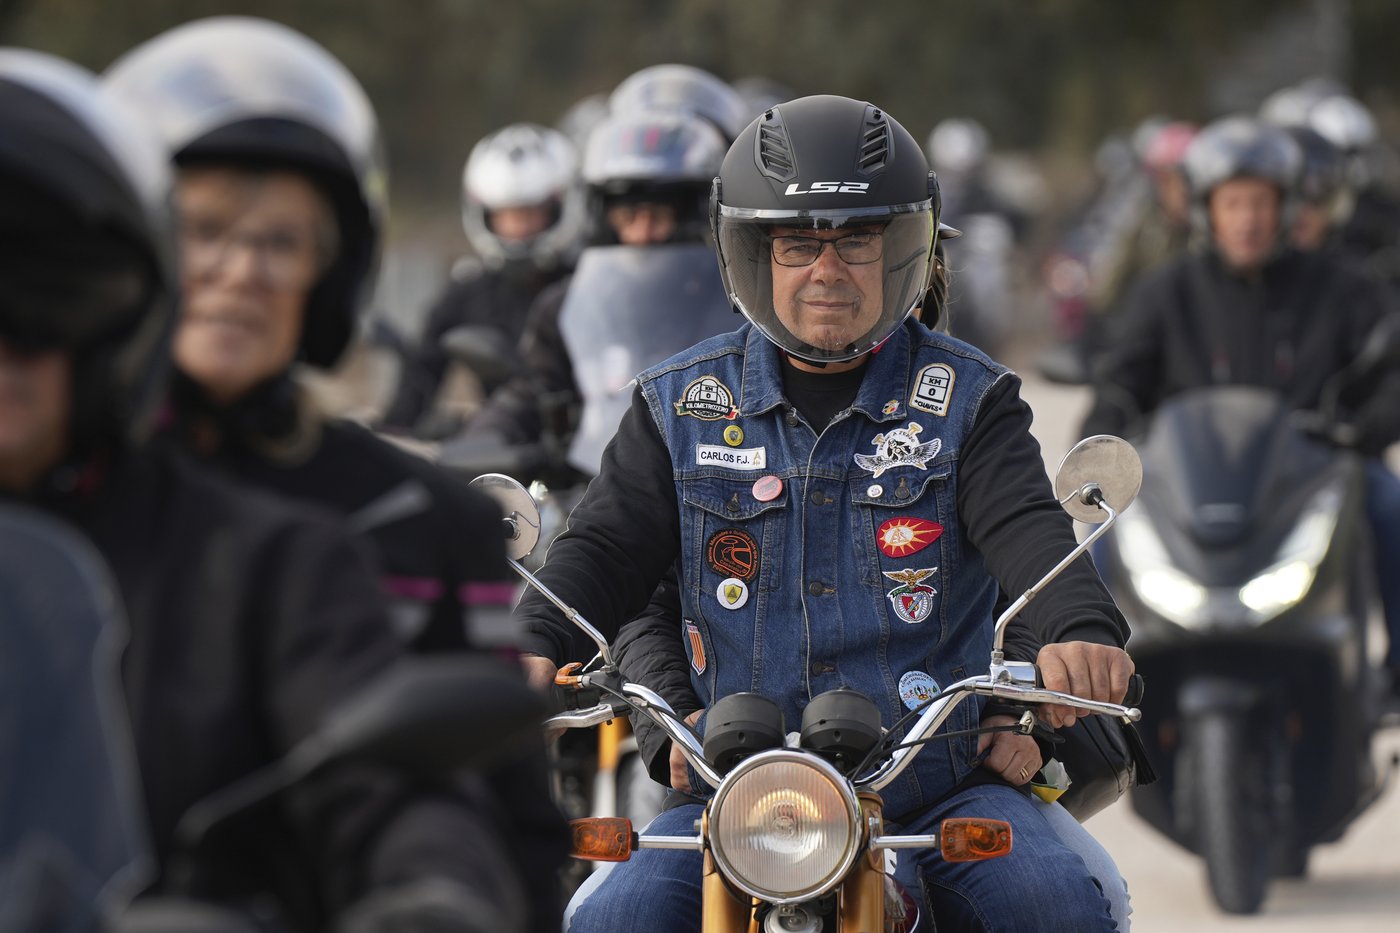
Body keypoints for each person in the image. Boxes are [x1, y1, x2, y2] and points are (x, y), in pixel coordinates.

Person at [517, 94, 1132, 932]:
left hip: (935, 795)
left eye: (857, 240)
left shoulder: (970, 401)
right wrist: (527, 643)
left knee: (1060, 903)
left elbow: (1031, 533)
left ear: (905, 248)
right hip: (733, 802)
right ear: (751, 255)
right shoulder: (677, 406)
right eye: (797, 243)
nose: (827, 269)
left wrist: (1081, 629)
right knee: (605, 918)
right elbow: (605, 546)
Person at [0, 47, 540, 931]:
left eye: (44, 297)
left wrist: (434, 892)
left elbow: (408, 796)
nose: (242, 270)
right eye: (204, 233)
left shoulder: (282, 555)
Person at [104, 16, 521, 655]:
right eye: (207, 231)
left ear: (328, 276)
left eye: (280, 241)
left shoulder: (424, 523)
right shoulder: (60, 496)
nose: (242, 272)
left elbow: (481, 744)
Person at [1082, 115, 1400, 699]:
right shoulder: (1165, 290)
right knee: (1095, 537)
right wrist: (1103, 446)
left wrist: (1360, 428)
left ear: (1287, 209)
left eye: (1261, 203)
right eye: (1233, 204)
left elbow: (1388, 374)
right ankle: (1095, 695)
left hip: (1311, 479)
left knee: (1390, 502)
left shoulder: (1343, 287)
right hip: (1185, 483)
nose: (1248, 219)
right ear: (1208, 211)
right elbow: (1119, 382)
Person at [460, 104, 729, 456]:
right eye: (628, 215)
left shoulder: (735, 306)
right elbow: (532, 390)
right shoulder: (570, 306)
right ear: (604, 219)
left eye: (659, 216)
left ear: (695, 216)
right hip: (596, 485)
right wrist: (487, 438)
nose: (642, 233)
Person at [381, 122, 582, 435]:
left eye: (530, 214)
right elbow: (423, 371)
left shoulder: (586, 282)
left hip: (589, 444)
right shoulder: (470, 289)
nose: (519, 229)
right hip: (506, 449)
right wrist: (392, 431)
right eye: (507, 217)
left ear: (559, 208)